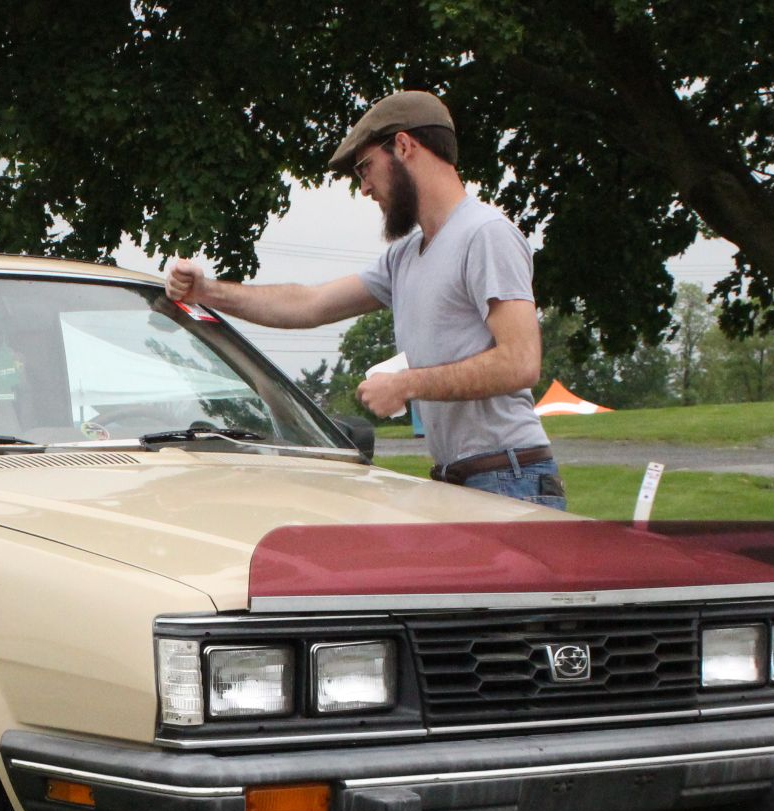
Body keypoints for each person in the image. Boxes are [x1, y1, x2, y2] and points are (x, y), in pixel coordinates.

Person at [165, 90, 562, 509]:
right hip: (459, 479)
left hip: (510, 478)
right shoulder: (405, 256)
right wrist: (207, 292)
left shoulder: (485, 234)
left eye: (365, 167)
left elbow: (520, 361)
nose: (365, 187)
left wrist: (406, 385)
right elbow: (310, 304)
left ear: (405, 146)